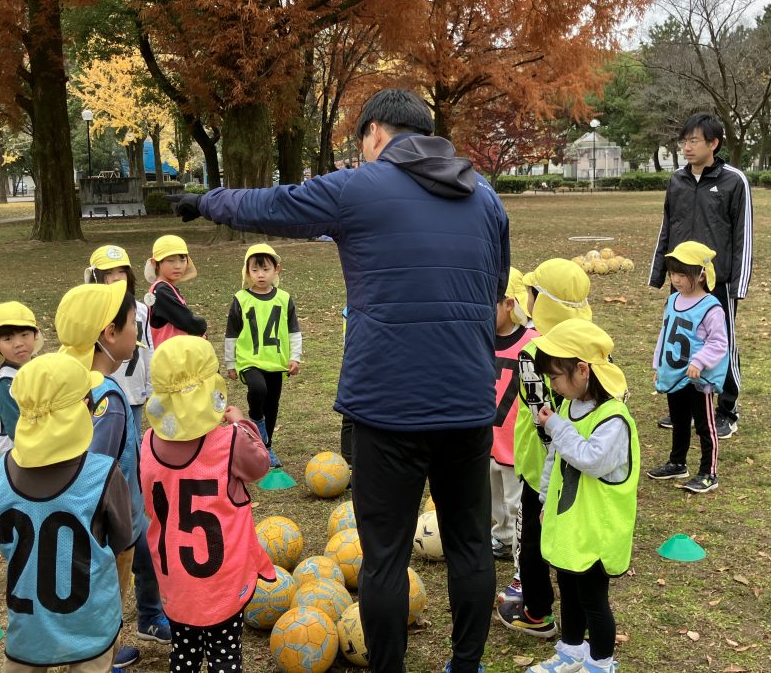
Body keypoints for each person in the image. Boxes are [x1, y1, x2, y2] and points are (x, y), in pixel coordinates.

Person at [177, 88, 509, 673]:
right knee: (469, 546)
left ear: (374, 134)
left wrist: (204, 202)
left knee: (382, 557)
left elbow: (273, 205)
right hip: (467, 401)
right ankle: (467, 665)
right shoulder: (485, 197)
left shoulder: (362, 186)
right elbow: (493, 288)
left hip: (387, 407)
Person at [139, 336, 275, 672]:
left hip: (175, 582)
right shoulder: (228, 442)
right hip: (222, 583)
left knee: (183, 653)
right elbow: (260, 466)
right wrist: (243, 423)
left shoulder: (147, 443)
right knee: (224, 656)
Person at [0, 353, 132, 672]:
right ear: (83, 408)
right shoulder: (103, 474)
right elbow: (121, 539)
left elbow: (6, 543)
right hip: (91, 627)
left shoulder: (0, 474)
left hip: (28, 631)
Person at [56, 283, 171, 669]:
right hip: (109, 528)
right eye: (130, 325)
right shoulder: (108, 399)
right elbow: (96, 472)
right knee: (107, 597)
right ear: (109, 334)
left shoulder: (67, 380)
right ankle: (102, 658)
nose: (136, 332)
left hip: (91, 525)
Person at [526, 319, 639, 673]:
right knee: (569, 590)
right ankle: (572, 651)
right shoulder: (566, 407)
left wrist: (555, 427)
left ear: (582, 370)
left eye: (556, 377)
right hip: (570, 524)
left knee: (593, 599)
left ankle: (600, 662)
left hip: (596, 531)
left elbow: (590, 459)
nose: (552, 384)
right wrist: (545, 501)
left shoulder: (613, 419)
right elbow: (554, 462)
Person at [498, 258, 590, 639]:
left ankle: (536, 611)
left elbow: (540, 418)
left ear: (544, 302)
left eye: (532, 293)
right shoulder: (590, 343)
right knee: (569, 540)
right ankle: (581, 617)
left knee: (531, 542)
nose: (527, 299)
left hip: (541, 470)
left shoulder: (533, 352)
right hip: (581, 467)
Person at [649, 112, 752, 439]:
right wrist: (659, 274)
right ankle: (684, 406)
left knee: (721, 344)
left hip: (716, 283)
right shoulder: (677, 180)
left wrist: (737, 286)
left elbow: (743, 235)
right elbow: (667, 226)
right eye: (685, 140)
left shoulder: (734, 181)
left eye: (694, 140)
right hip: (681, 281)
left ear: (714, 143)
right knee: (678, 341)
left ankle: (726, 410)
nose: (687, 147)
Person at [647, 241, 728, 494]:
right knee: (679, 421)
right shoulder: (672, 300)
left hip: (697, 379)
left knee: (705, 426)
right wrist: (658, 362)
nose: (676, 279)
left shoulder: (711, 308)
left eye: (682, 274)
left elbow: (719, 342)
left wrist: (698, 362)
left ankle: (708, 473)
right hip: (675, 374)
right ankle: (677, 462)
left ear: (701, 275)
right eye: (673, 274)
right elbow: (666, 332)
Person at [223, 243, 302, 467]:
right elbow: (232, 333)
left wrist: (294, 357)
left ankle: (267, 448)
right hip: (249, 361)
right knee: (258, 389)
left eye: (265, 269)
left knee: (272, 404)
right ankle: (255, 419)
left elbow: (294, 330)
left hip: (276, 362)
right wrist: (231, 362)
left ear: (277, 269)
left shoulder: (284, 299)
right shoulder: (241, 298)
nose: (260, 274)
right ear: (247, 271)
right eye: (255, 270)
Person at [490, 268, 535, 563]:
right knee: (494, 500)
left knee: (517, 502)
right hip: (486, 438)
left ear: (509, 304)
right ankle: (503, 538)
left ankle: (524, 557)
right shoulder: (478, 339)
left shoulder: (533, 342)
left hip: (516, 442)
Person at [84, 245, 154, 435]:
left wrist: (150, 387)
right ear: (96, 277)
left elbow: (148, 347)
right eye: (108, 273)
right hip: (102, 391)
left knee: (132, 439)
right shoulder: (91, 311)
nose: (116, 277)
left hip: (134, 389)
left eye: (122, 271)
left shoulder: (141, 310)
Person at [0, 301, 43, 460]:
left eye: (24, 335)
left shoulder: (39, 369)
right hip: (16, 466)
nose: (18, 344)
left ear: (35, 335)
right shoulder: (6, 383)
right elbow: (18, 433)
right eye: (8, 339)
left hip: (40, 454)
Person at [144, 234, 206, 346]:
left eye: (182, 260)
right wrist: (201, 327)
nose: (178, 266)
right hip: (168, 358)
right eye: (171, 260)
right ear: (155, 263)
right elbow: (186, 320)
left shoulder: (166, 288)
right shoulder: (161, 291)